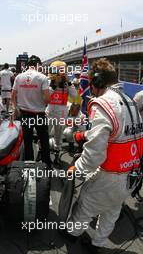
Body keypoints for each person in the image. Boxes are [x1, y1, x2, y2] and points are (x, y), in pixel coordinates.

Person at [64, 58, 143, 253]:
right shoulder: (130, 102)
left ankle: (71, 235)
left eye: (91, 85)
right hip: (131, 173)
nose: (90, 90)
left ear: (98, 82)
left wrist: (78, 170)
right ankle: (97, 244)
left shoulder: (103, 103)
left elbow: (95, 153)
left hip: (110, 175)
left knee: (85, 206)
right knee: (112, 210)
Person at [11, 55, 51, 169]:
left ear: (28, 65)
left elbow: (13, 95)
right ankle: (46, 165)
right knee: (44, 141)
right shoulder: (42, 77)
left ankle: (29, 166)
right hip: (39, 114)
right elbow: (47, 99)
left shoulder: (19, 77)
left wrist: (15, 108)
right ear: (38, 65)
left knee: (27, 141)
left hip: (25, 114)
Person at [46, 60, 77, 155]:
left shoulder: (67, 84)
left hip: (62, 112)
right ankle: (42, 150)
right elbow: (46, 97)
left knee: (58, 135)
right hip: (50, 110)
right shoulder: (48, 82)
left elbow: (75, 96)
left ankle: (57, 152)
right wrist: (54, 86)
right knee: (45, 132)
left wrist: (69, 83)